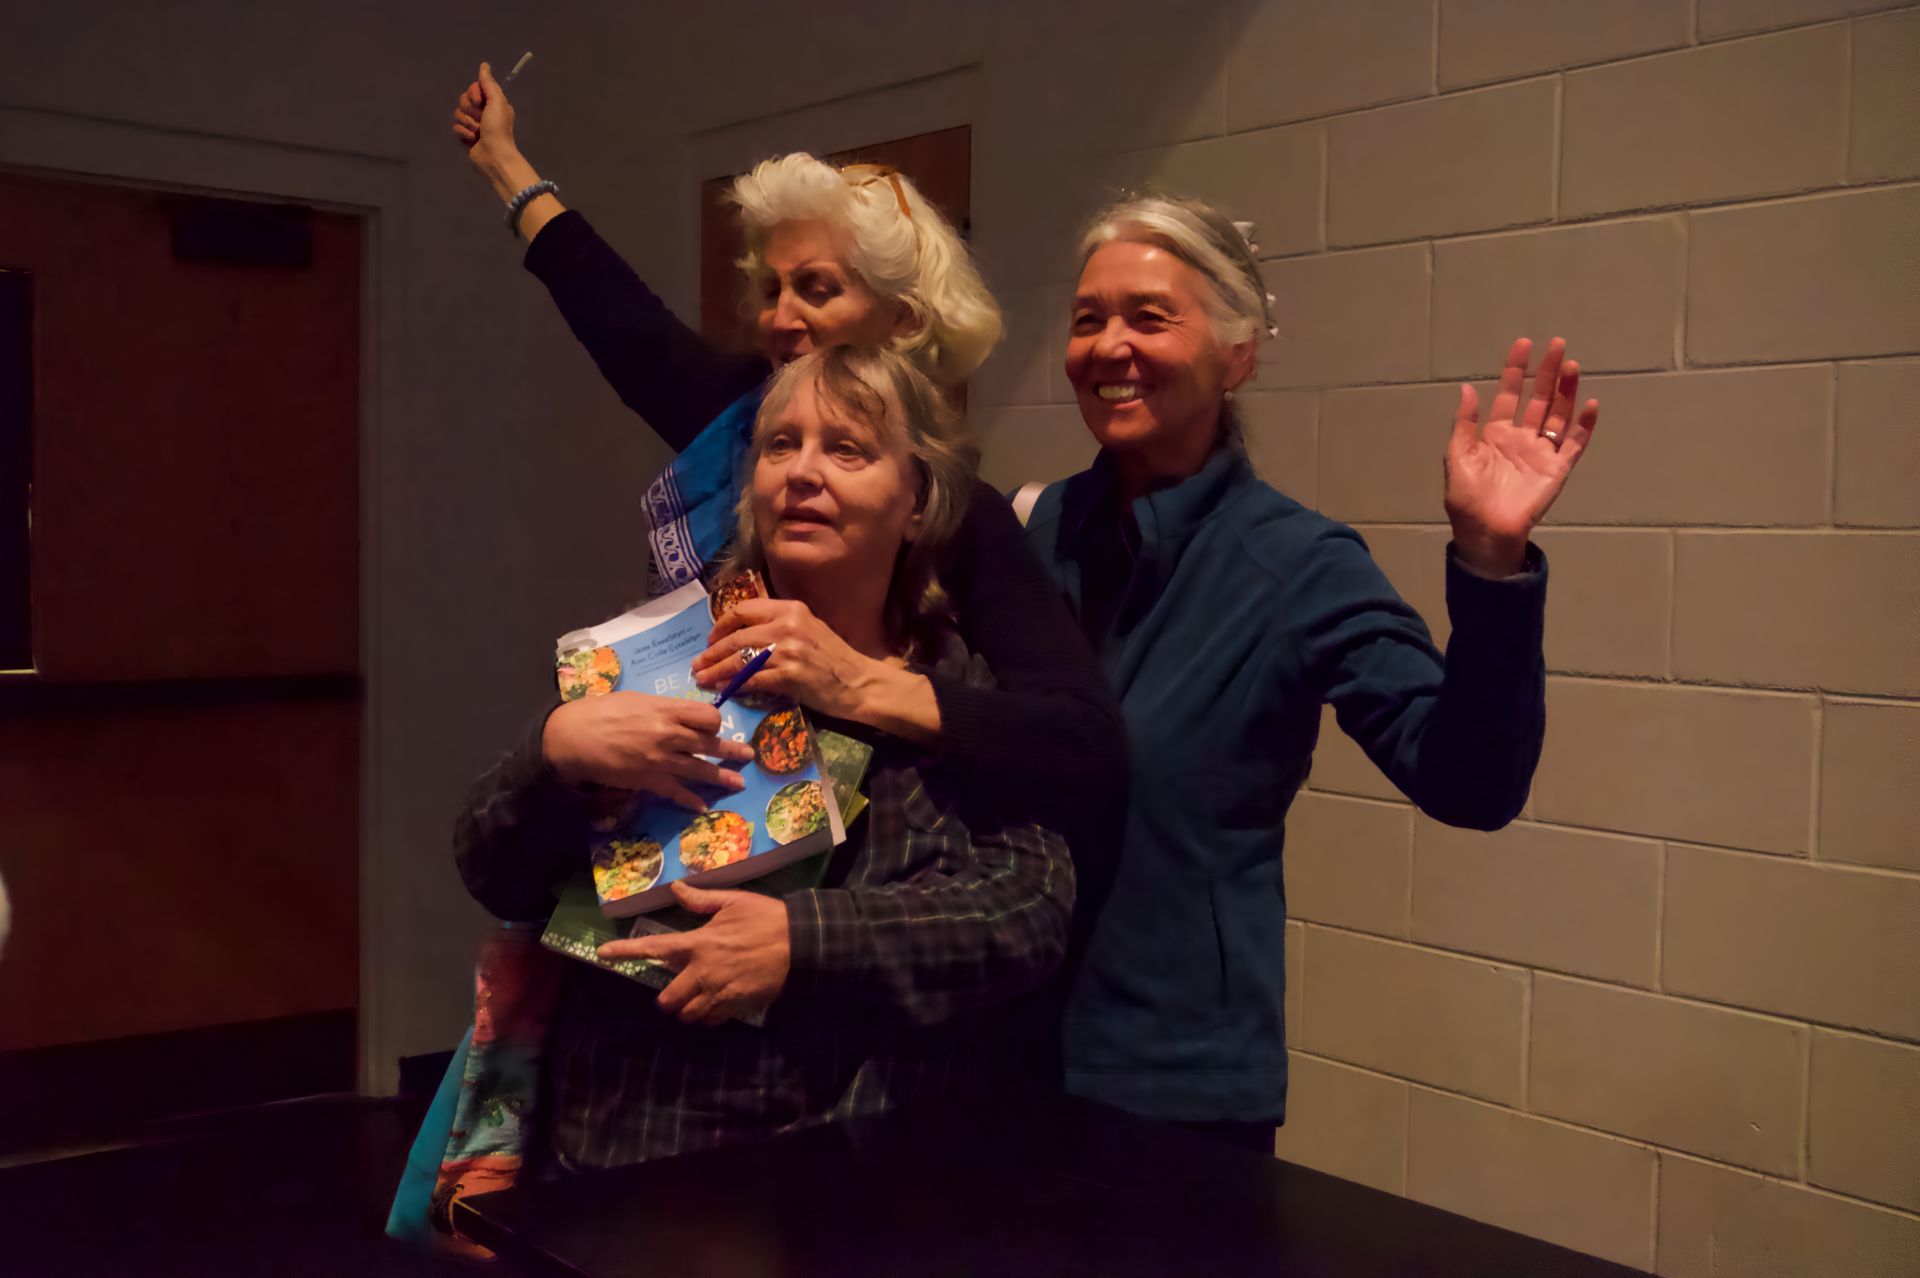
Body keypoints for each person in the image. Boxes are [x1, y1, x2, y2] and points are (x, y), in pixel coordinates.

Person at [1019, 196, 1599, 1152]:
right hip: (994, 1052)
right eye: (1088, 319)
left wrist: (1492, 563)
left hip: (1173, 1090)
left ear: (1238, 355)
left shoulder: (1298, 563)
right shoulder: (1040, 533)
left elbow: (1470, 783)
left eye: (1150, 317)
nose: (1109, 345)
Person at [454, 347, 1075, 1169]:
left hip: (861, 1170)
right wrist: (552, 755)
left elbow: (1027, 912)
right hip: (635, 1153)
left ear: (919, 502)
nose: (803, 472)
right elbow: (493, 874)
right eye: (781, 445)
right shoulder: (656, 656)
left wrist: (803, 940)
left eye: (847, 449)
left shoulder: (954, 689)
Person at [450, 64, 1124, 817]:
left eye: (817, 288)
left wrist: (859, 684)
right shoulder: (735, 415)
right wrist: (505, 164)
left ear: (903, 317)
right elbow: (615, 313)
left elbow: (1084, 741)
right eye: (772, 290)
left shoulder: (954, 508)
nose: (780, 318)